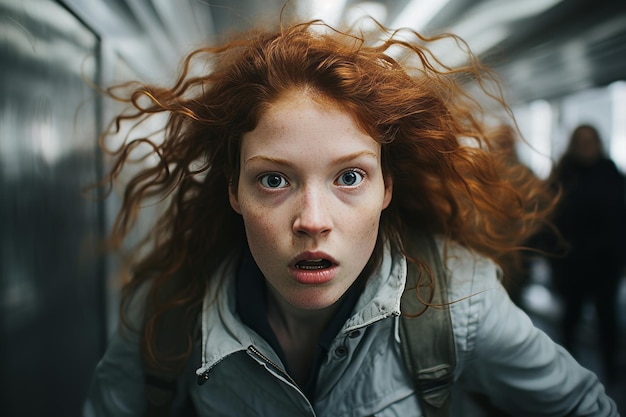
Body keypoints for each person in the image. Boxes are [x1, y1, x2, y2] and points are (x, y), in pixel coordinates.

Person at [83, 17, 620, 417]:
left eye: (349, 177)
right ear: (233, 190)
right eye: (274, 180)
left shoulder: (459, 301)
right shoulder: (171, 313)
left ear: (387, 187)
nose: (312, 220)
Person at [547, 124, 626, 385]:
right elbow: (550, 222)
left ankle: (612, 374)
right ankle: (568, 372)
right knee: (571, 317)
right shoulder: (562, 175)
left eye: (590, 141)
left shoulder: (611, 172)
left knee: (608, 320)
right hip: (573, 263)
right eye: (581, 141)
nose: (586, 146)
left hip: (605, 263)